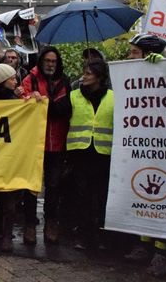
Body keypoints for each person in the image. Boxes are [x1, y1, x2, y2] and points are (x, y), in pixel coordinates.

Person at [124, 33, 166, 277]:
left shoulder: (163, 71)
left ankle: (162, 252)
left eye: (133, 52)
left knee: (162, 196)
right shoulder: (131, 77)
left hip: (163, 149)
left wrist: (162, 66)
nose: (129, 56)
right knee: (142, 192)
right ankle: (145, 244)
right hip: (141, 146)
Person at [0, 63, 35, 251]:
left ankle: (6, 235)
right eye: (11, 78)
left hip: (9, 156)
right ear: (2, 80)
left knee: (9, 200)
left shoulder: (16, 100)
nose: (16, 81)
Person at [21, 46, 71, 245]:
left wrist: (44, 104)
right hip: (33, 143)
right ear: (41, 61)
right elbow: (20, 106)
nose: (50, 64)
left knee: (53, 186)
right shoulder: (29, 80)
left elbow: (64, 109)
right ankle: (29, 224)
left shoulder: (64, 81)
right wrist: (30, 101)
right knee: (31, 186)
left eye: (54, 61)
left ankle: (51, 222)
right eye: (47, 61)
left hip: (57, 143)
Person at [66, 59, 113, 251]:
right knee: (83, 196)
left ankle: (100, 235)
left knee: (100, 196)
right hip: (80, 153)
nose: (83, 76)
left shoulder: (113, 96)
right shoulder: (73, 95)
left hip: (103, 154)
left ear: (99, 77)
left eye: (88, 73)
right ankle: (85, 235)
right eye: (84, 72)